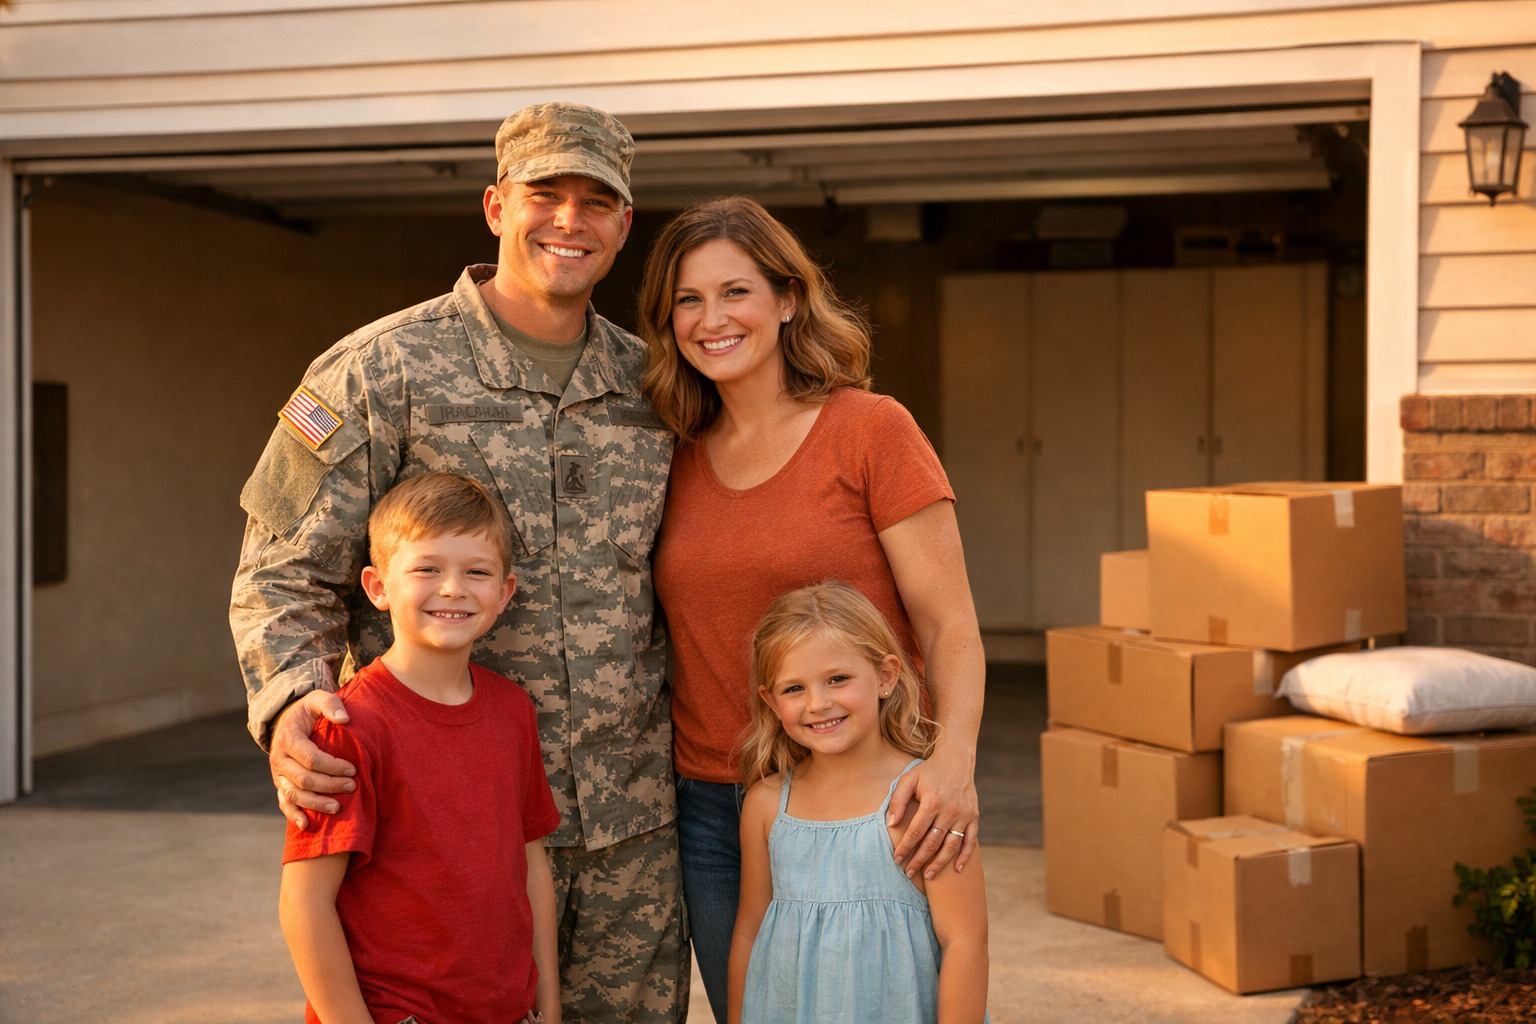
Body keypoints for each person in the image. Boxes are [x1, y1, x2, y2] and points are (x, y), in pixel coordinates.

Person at [231, 102, 686, 1023]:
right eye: (544, 194)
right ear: (493, 205)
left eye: (597, 200)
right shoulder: (376, 371)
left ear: (624, 224)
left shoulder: (656, 389)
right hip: (435, 843)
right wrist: (290, 703)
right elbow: (281, 572)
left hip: (633, 839)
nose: (570, 219)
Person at [642, 197, 986, 1021]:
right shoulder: (668, 451)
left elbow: (950, 625)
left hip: (874, 796)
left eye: (736, 292)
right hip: (718, 802)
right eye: (687, 300)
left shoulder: (869, 431)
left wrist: (954, 763)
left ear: (788, 298)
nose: (711, 319)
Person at [280, 472, 561, 1024]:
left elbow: (531, 867)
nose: (452, 588)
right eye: (427, 569)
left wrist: (547, 1007)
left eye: (476, 572)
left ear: (504, 592)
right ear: (378, 586)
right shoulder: (349, 725)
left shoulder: (512, 710)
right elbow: (304, 905)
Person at [727, 581, 988, 1024]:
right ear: (770, 701)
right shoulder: (766, 804)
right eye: (794, 689)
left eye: (838, 679)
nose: (818, 703)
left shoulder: (922, 802)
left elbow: (965, 941)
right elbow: (750, 930)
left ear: (886, 677)